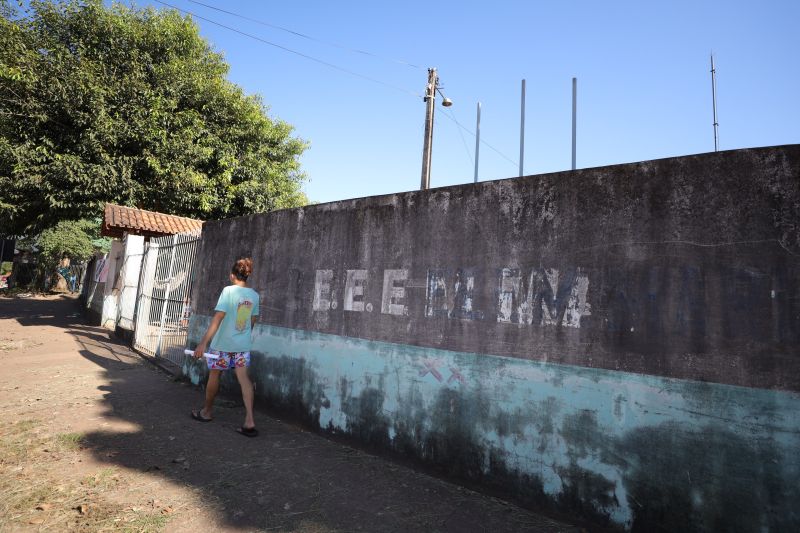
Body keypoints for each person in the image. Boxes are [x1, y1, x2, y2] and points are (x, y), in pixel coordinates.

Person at [191, 258, 260, 437]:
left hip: (222, 345)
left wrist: (203, 343)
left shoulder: (228, 291)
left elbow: (218, 318)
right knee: (244, 379)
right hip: (242, 346)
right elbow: (250, 322)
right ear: (247, 275)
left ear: (232, 275)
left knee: (215, 375)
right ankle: (250, 420)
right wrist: (241, 338)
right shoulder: (254, 295)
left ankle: (206, 412)